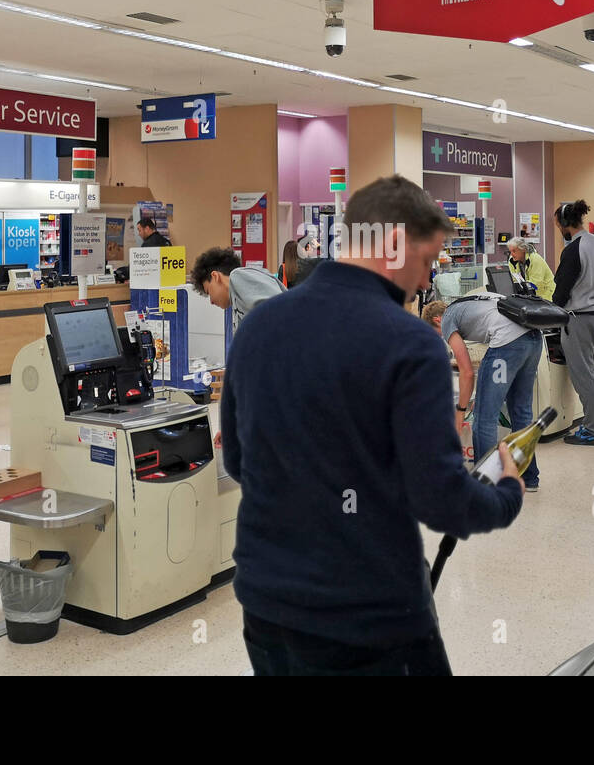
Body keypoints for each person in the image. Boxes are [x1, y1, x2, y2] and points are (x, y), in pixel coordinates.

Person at [219, 175, 523, 675]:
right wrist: (505, 494)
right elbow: (439, 497)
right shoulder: (411, 345)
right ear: (396, 244)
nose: (427, 281)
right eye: (426, 262)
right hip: (367, 614)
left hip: (268, 603)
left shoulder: (257, 327)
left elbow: (237, 459)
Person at [422, 296, 542, 490]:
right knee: (521, 413)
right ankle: (529, 479)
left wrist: (460, 411)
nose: (442, 337)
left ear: (436, 320)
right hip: (534, 340)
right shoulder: (470, 303)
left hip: (508, 344)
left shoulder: (447, 319)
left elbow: (467, 372)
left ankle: (485, 484)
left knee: (484, 418)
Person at [551, 200, 594, 446]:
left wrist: (550, 308)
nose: (560, 231)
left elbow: (562, 290)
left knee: (582, 373)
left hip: (579, 317)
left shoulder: (573, 249)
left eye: (558, 226)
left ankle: (591, 429)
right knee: (593, 370)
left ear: (566, 225)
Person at [190, 247, 284, 331]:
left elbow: (276, 311)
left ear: (215, 276)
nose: (211, 301)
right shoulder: (237, 300)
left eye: (209, 292)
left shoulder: (237, 276)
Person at [505, 236, 555, 301]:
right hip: (531, 295)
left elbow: (536, 284)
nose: (511, 254)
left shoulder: (535, 259)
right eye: (510, 251)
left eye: (514, 251)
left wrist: (524, 286)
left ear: (523, 249)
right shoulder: (512, 261)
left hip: (547, 295)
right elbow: (514, 280)